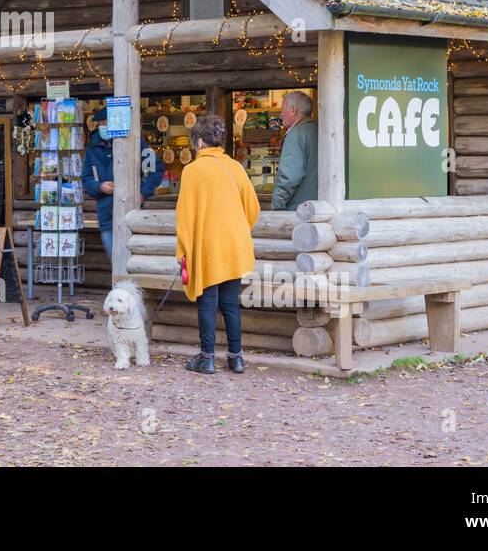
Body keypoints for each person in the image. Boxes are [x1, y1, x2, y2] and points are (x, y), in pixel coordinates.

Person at [176, 115, 259, 375]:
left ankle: (207, 357)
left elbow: (185, 216)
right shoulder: (235, 167)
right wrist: (237, 228)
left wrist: (183, 251)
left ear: (199, 141)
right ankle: (236, 358)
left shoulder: (192, 170)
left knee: (207, 303)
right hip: (234, 246)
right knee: (230, 304)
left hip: (207, 246)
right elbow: (253, 208)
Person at [82, 106, 163, 261]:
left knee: (133, 264)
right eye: (99, 125)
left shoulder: (136, 144)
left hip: (131, 217)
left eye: (104, 123)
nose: (102, 128)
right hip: (106, 218)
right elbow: (85, 178)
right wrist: (100, 187)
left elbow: (155, 169)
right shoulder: (92, 149)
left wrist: (142, 192)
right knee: (116, 263)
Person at [271, 91, 318, 211]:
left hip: (299, 210)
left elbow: (289, 177)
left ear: (293, 111)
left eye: (283, 109)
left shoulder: (295, 135)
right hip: (318, 206)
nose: (281, 114)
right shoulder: (318, 129)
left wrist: (277, 206)